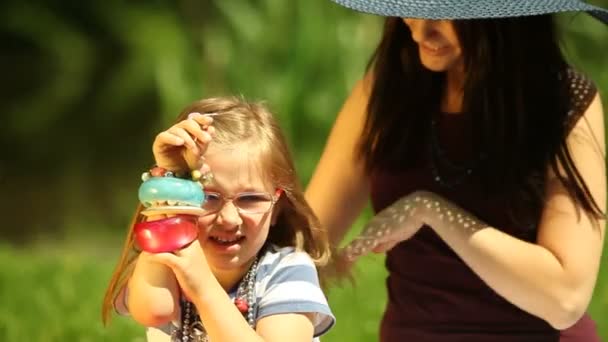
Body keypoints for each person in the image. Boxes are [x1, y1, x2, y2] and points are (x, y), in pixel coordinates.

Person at [305, 1, 607, 341]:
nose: (419, 29)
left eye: (443, 13)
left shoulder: (564, 101)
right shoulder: (383, 94)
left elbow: (565, 299)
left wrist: (431, 211)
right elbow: (302, 245)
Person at [102, 97, 335, 341]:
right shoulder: (165, 263)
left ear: (277, 209)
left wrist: (201, 286)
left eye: (250, 199)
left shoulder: (288, 270)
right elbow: (154, 310)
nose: (229, 219)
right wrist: (171, 178)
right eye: (208, 197)